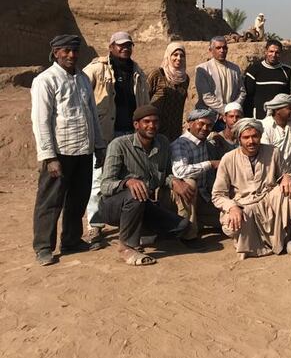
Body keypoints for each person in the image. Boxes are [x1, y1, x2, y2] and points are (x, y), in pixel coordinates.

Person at [31, 35, 106, 266]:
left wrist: (99, 146)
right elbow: (41, 121)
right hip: (59, 154)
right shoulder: (46, 80)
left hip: (83, 151)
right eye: (66, 51)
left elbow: (92, 115)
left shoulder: (83, 78)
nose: (71, 55)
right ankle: (43, 247)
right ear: (55, 53)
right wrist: (49, 156)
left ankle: (72, 240)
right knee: (50, 202)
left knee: (78, 199)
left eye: (74, 51)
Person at [96, 105, 193, 266]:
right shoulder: (119, 145)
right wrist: (127, 182)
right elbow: (105, 186)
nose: (151, 126)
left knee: (182, 226)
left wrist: (174, 181)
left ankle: (141, 234)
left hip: (143, 205)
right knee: (135, 193)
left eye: (155, 122)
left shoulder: (162, 142)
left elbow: (164, 175)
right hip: (112, 207)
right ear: (136, 125)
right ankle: (127, 247)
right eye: (146, 122)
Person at [83, 31, 150, 248]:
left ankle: (127, 222)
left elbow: (144, 101)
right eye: (120, 45)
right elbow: (82, 90)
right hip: (106, 135)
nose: (125, 48)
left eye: (128, 45)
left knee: (131, 177)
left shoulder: (137, 71)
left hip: (130, 134)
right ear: (111, 46)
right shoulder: (97, 68)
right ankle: (94, 224)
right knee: (99, 178)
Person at [212, 118, 291, 258]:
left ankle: (287, 240)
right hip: (243, 204)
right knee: (231, 223)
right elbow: (218, 195)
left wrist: (286, 177)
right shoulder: (228, 158)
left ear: (260, 136)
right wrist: (232, 207)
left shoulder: (273, 152)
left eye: (255, 136)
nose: (251, 141)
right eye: (246, 137)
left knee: (290, 190)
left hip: (267, 200)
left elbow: (284, 173)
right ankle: (247, 244)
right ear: (239, 139)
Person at [170, 109, 221, 240]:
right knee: (189, 183)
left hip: (203, 197)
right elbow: (180, 171)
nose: (205, 128)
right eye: (201, 124)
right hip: (183, 195)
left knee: (225, 219)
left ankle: (197, 221)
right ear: (189, 124)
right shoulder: (181, 144)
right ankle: (188, 235)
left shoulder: (205, 142)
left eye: (209, 125)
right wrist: (209, 164)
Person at [195, 36, 245, 131]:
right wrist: (225, 110)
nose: (222, 50)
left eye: (224, 48)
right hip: (210, 117)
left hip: (232, 118)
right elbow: (207, 97)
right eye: (218, 48)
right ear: (211, 50)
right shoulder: (202, 69)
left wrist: (232, 109)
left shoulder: (235, 68)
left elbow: (242, 92)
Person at [147, 42, 189, 142]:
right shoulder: (157, 74)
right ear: (168, 56)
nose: (178, 58)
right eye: (175, 55)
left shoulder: (185, 79)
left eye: (182, 55)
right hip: (156, 127)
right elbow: (145, 98)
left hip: (175, 129)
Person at [242, 39, 291, 119]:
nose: (274, 55)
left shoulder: (287, 71)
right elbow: (248, 97)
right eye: (271, 51)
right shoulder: (254, 70)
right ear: (266, 51)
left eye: (277, 52)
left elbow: (289, 95)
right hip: (258, 118)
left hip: (279, 119)